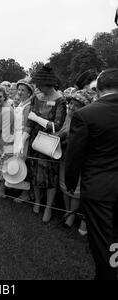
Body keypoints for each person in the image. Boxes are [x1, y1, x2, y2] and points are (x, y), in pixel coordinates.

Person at [65, 68, 118, 280]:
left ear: (98, 88)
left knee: (103, 242)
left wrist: (70, 182)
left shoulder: (86, 114)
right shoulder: (87, 114)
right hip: (104, 186)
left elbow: (75, 155)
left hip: (99, 189)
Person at [25, 64, 66, 223]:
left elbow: (57, 126)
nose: (37, 87)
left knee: (49, 176)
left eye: (39, 84)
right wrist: (24, 137)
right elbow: (30, 119)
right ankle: (37, 201)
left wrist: (38, 119)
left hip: (49, 142)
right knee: (34, 172)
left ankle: (48, 207)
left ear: (47, 84)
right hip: (35, 140)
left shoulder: (60, 100)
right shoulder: (37, 97)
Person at [58, 90, 94, 233]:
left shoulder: (87, 121)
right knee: (64, 185)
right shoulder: (67, 117)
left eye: (76, 105)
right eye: (71, 103)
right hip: (63, 157)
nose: (72, 107)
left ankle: (72, 216)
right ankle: (68, 212)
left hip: (77, 161)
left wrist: (67, 139)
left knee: (75, 189)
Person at [12, 78, 34, 203]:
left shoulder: (28, 106)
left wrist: (21, 141)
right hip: (17, 136)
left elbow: (27, 125)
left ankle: (25, 194)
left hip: (23, 139)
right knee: (19, 162)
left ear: (29, 93)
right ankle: (20, 189)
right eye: (19, 89)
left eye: (23, 90)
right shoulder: (20, 104)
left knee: (23, 164)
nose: (19, 92)